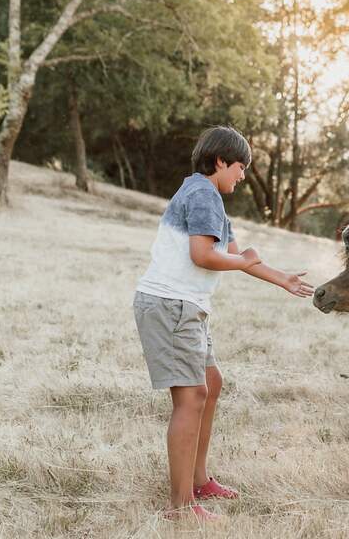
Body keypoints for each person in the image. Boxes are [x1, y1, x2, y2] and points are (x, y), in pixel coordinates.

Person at [133, 125, 314, 521]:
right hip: (171, 304)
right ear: (220, 161)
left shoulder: (208, 196)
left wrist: (282, 278)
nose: (243, 176)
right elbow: (204, 255)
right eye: (240, 167)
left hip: (188, 305)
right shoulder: (202, 194)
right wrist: (244, 260)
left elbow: (233, 253)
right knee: (192, 396)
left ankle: (198, 481)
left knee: (210, 385)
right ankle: (180, 506)